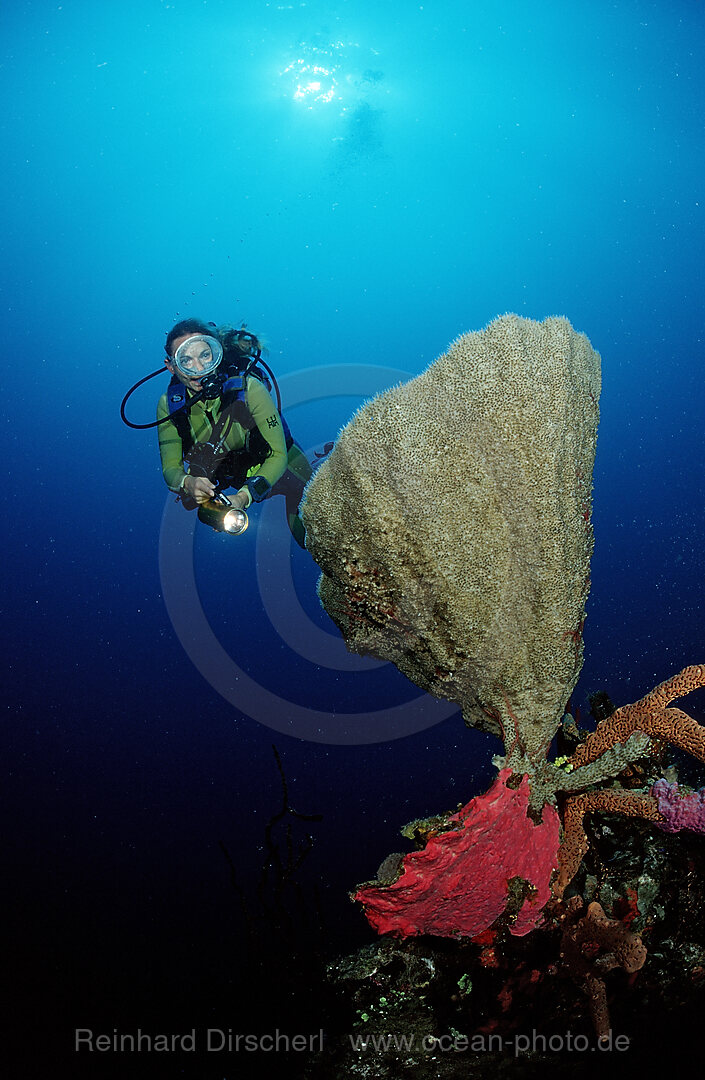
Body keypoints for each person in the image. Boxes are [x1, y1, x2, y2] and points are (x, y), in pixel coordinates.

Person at [157, 318, 313, 547]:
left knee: (309, 507)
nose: (199, 369)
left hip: (284, 463)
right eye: (186, 360)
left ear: (216, 353)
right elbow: (170, 469)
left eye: (204, 356)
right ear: (172, 366)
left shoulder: (249, 388)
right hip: (233, 478)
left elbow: (278, 455)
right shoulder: (169, 406)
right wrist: (188, 483)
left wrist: (243, 496)